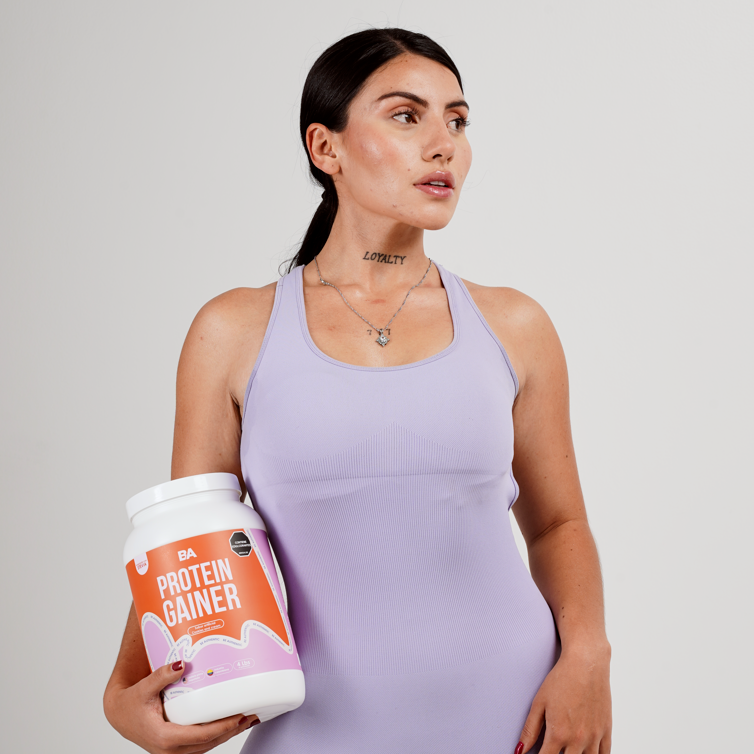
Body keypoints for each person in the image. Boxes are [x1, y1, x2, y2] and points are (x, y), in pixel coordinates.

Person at [104, 26, 612, 754]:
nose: (443, 145)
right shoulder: (233, 331)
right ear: (326, 148)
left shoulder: (515, 325)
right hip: (314, 726)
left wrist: (588, 658)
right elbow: (191, 540)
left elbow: (559, 524)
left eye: (457, 121)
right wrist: (122, 692)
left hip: (515, 719)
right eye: (407, 116)